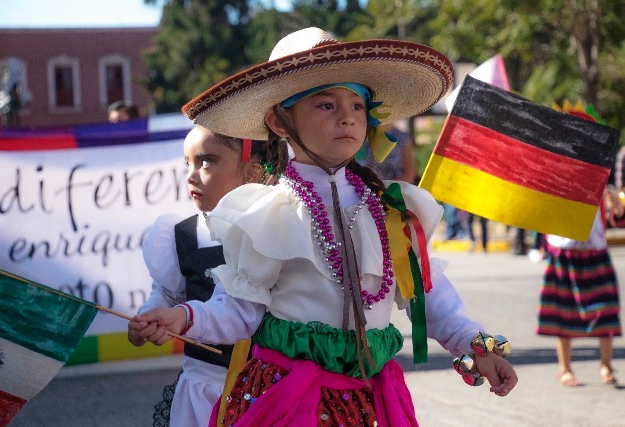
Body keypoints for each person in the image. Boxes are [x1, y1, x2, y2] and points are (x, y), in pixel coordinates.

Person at [133, 27, 518, 426]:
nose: (347, 118)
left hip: (373, 401)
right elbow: (238, 310)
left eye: (356, 104)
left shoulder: (393, 208)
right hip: (289, 400)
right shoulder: (266, 212)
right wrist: (186, 318)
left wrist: (477, 346)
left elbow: (427, 296)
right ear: (279, 122)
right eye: (326, 105)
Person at [127, 125, 270, 426]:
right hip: (203, 389)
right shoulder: (181, 235)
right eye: (187, 163)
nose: (191, 175)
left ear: (252, 170)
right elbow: (166, 294)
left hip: (265, 388)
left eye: (206, 161)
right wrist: (146, 320)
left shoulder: (272, 233)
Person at [536, 187, 623, 387]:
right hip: (563, 253)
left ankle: (606, 365)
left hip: (595, 252)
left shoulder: (599, 176)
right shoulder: (557, 178)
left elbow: (617, 218)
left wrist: (616, 203)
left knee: (605, 312)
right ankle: (565, 368)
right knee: (563, 313)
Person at [357, 120, 419, 184]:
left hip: (396, 189)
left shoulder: (402, 138)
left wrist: (383, 187)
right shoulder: (365, 137)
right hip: (370, 188)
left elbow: (409, 174)